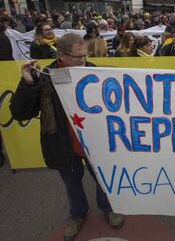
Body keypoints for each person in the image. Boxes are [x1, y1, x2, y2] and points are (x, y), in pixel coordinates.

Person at [9, 33, 124, 241]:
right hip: (62, 144)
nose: (83, 60)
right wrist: (27, 84)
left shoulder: (94, 72)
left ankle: (109, 208)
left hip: (94, 143)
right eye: (78, 56)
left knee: (103, 179)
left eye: (85, 55)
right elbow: (20, 113)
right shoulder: (43, 77)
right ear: (61, 55)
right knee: (72, 184)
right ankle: (78, 214)